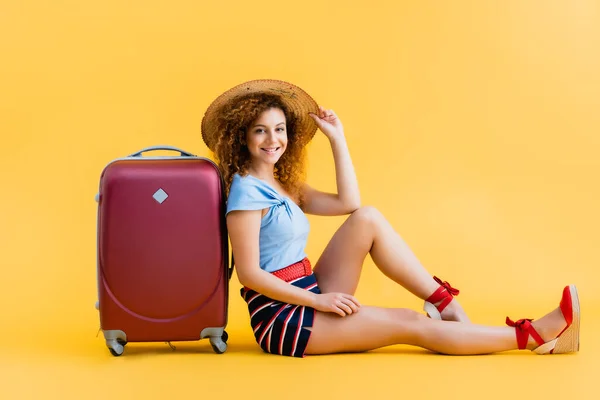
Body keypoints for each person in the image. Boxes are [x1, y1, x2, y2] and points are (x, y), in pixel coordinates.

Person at [200, 79, 580, 358]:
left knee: (367, 218)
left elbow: (350, 202)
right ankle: (534, 337)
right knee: (409, 323)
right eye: (261, 131)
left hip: (310, 291)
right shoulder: (247, 193)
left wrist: (337, 139)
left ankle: (443, 302)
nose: (273, 139)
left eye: (280, 129)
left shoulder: (285, 184)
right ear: (242, 137)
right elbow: (250, 275)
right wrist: (320, 302)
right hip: (284, 319)